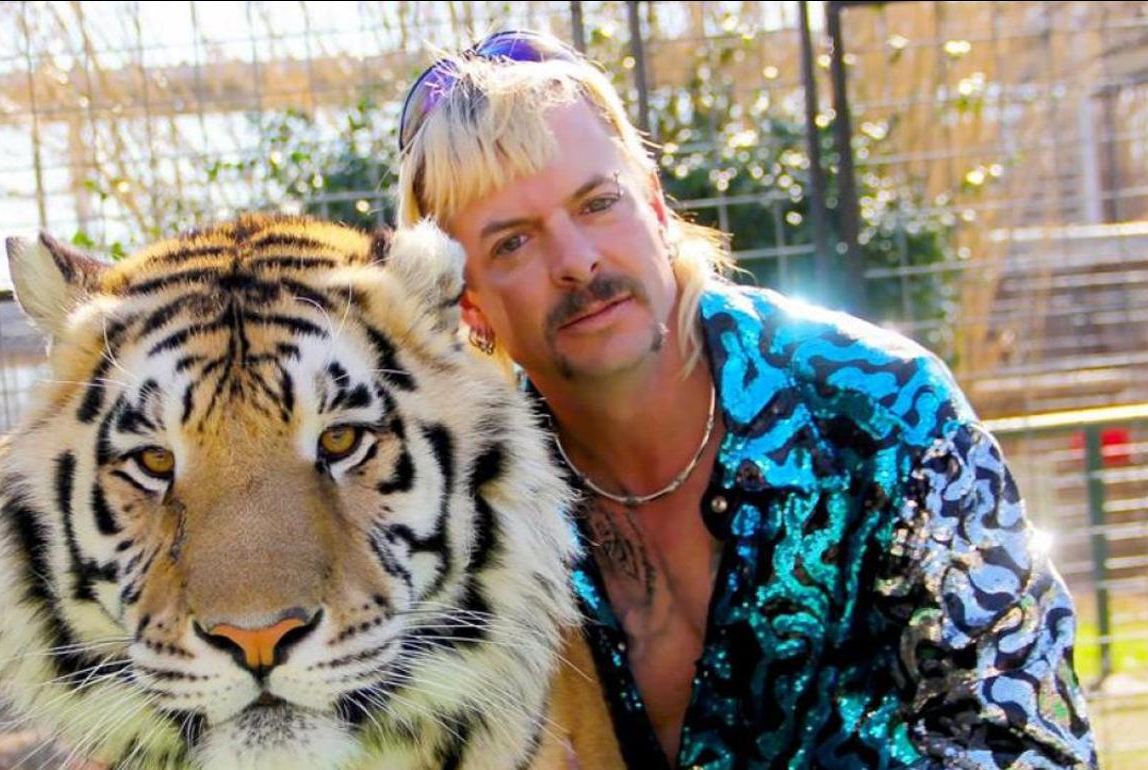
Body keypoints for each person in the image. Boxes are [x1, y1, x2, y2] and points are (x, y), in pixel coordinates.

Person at [395, 29, 1099, 770]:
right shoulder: (472, 521)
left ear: (655, 206)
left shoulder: (884, 409)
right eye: (513, 243)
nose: (577, 260)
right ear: (467, 303)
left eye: (599, 203)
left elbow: (1031, 741)